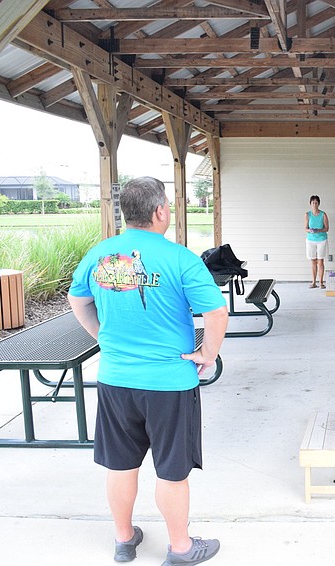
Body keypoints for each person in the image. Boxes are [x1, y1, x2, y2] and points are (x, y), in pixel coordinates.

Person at [68, 177, 228, 565]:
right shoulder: (180, 258)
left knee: (120, 464)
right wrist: (208, 353)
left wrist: (103, 337)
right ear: (160, 211)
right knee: (172, 471)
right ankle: (181, 548)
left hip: (115, 380)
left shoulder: (101, 254)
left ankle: (124, 540)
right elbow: (216, 311)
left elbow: (78, 299)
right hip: (169, 383)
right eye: (169, 206)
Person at [305, 195, 329, 289]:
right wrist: (310, 230)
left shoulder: (323, 214)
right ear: (310, 204)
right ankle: (314, 282)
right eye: (313, 203)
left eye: (316, 202)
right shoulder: (307, 214)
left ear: (318, 204)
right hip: (310, 240)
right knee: (313, 261)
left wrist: (318, 230)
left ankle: (321, 282)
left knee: (320, 261)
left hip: (321, 240)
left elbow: (327, 228)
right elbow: (305, 228)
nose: (314, 204)